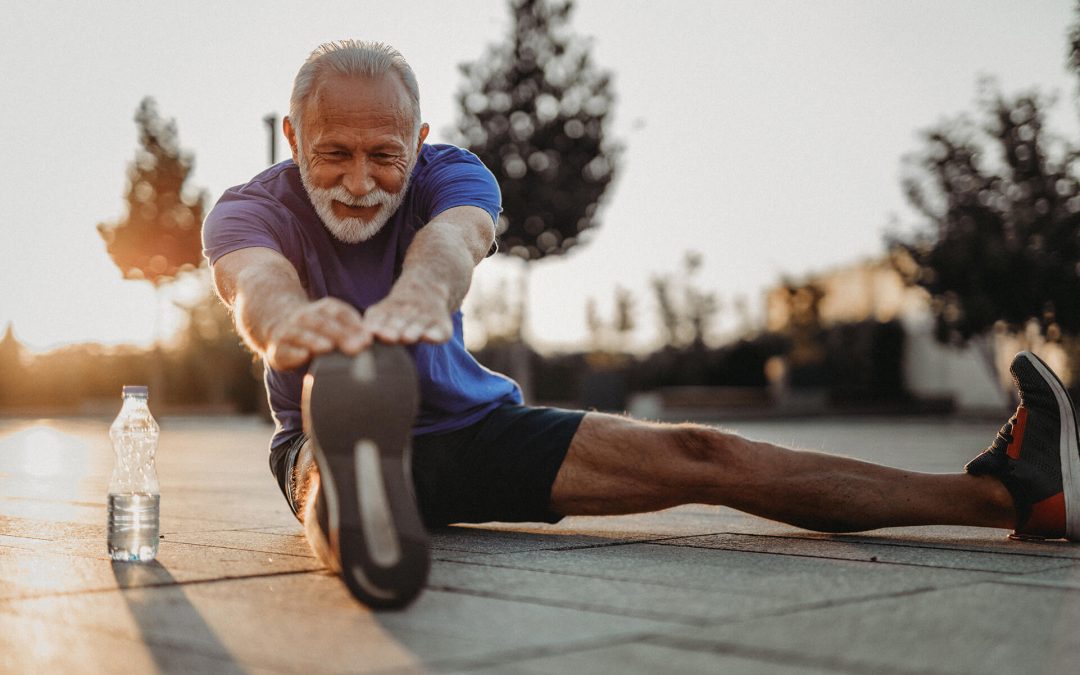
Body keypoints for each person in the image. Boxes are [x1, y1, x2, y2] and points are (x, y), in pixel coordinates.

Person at [203, 40, 1080, 609]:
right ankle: (362, 513)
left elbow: (455, 242)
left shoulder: (452, 172)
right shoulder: (248, 209)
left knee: (708, 458)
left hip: (477, 428)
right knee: (328, 472)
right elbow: (258, 286)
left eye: (383, 155)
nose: (359, 180)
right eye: (333, 153)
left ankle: (1016, 494)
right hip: (327, 424)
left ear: (420, 138)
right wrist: (288, 324)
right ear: (292, 135)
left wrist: (422, 297)